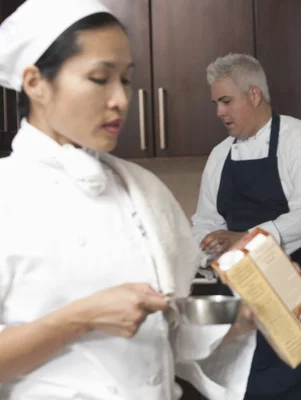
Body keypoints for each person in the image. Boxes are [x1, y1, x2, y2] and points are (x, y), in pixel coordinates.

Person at [0, 1, 256, 399]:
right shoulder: (8, 193)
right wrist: (80, 318)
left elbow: (167, 333)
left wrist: (239, 319)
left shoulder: (141, 189)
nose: (121, 99)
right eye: (100, 78)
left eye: (126, 79)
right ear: (35, 82)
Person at [192, 53, 301, 400]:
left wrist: (246, 240)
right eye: (216, 103)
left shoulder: (299, 138)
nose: (219, 112)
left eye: (226, 101)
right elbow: (205, 221)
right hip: (247, 297)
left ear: (254, 95)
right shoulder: (219, 155)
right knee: (251, 383)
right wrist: (209, 246)